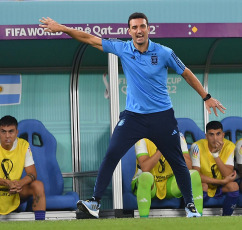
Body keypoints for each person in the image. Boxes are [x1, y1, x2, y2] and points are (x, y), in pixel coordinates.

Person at [39, 12, 225, 218]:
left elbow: (186, 73)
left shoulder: (164, 52)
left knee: (178, 161)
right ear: (129, 31)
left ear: (148, 29)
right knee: (111, 154)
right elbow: (89, 38)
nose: (139, 31)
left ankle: (190, 205)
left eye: (142, 26)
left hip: (162, 117)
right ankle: (95, 203)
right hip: (133, 118)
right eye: (134, 27)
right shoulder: (123, 48)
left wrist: (206, 96)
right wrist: (63, 28)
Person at [0, 115, 46, 221]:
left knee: (38, 185)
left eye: (11, 131)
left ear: (17, 132)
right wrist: (6, 182)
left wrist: (20, 183)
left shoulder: (24, 145)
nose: (7, 136)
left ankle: (41, 224)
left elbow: (32, 173)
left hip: (15, 189)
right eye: (3, 132)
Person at [133, 133, 203, 217]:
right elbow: (145, 168)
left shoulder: (178, 136)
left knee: (194, 174)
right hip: (149, 184)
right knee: (146, 177)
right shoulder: (142, 138)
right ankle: (143, 222)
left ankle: (198, 217)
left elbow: (188, 167)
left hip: (168, 183)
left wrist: (174, 147)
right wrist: (162, 148)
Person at [190, 121, 238, 216]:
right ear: (206, 136)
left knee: (234, 186)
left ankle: (225, 219)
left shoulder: (230, 147)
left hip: (220, 187)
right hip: (204, 184)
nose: (215, 138)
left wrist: (216, 155)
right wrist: (221, 182)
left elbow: (228, 175)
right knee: (203, 186)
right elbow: (196, 175)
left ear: (223, 135)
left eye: (218, 134)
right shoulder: (196, 147)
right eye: (211, 134)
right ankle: (197, 216)